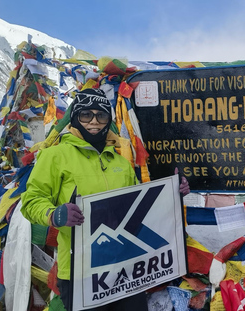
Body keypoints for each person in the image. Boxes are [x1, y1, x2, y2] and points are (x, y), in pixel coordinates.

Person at [21, 88, 189, 311]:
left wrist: (172, 194)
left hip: (126, 268)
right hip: (80, 272)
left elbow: (138, 209)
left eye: (101, 115)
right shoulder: (55, 156)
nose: (94, 122)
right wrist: (54, 214)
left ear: (108, 119)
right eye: (86, 115)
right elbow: (31, 201)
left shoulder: (119, 162)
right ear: (75, 118)